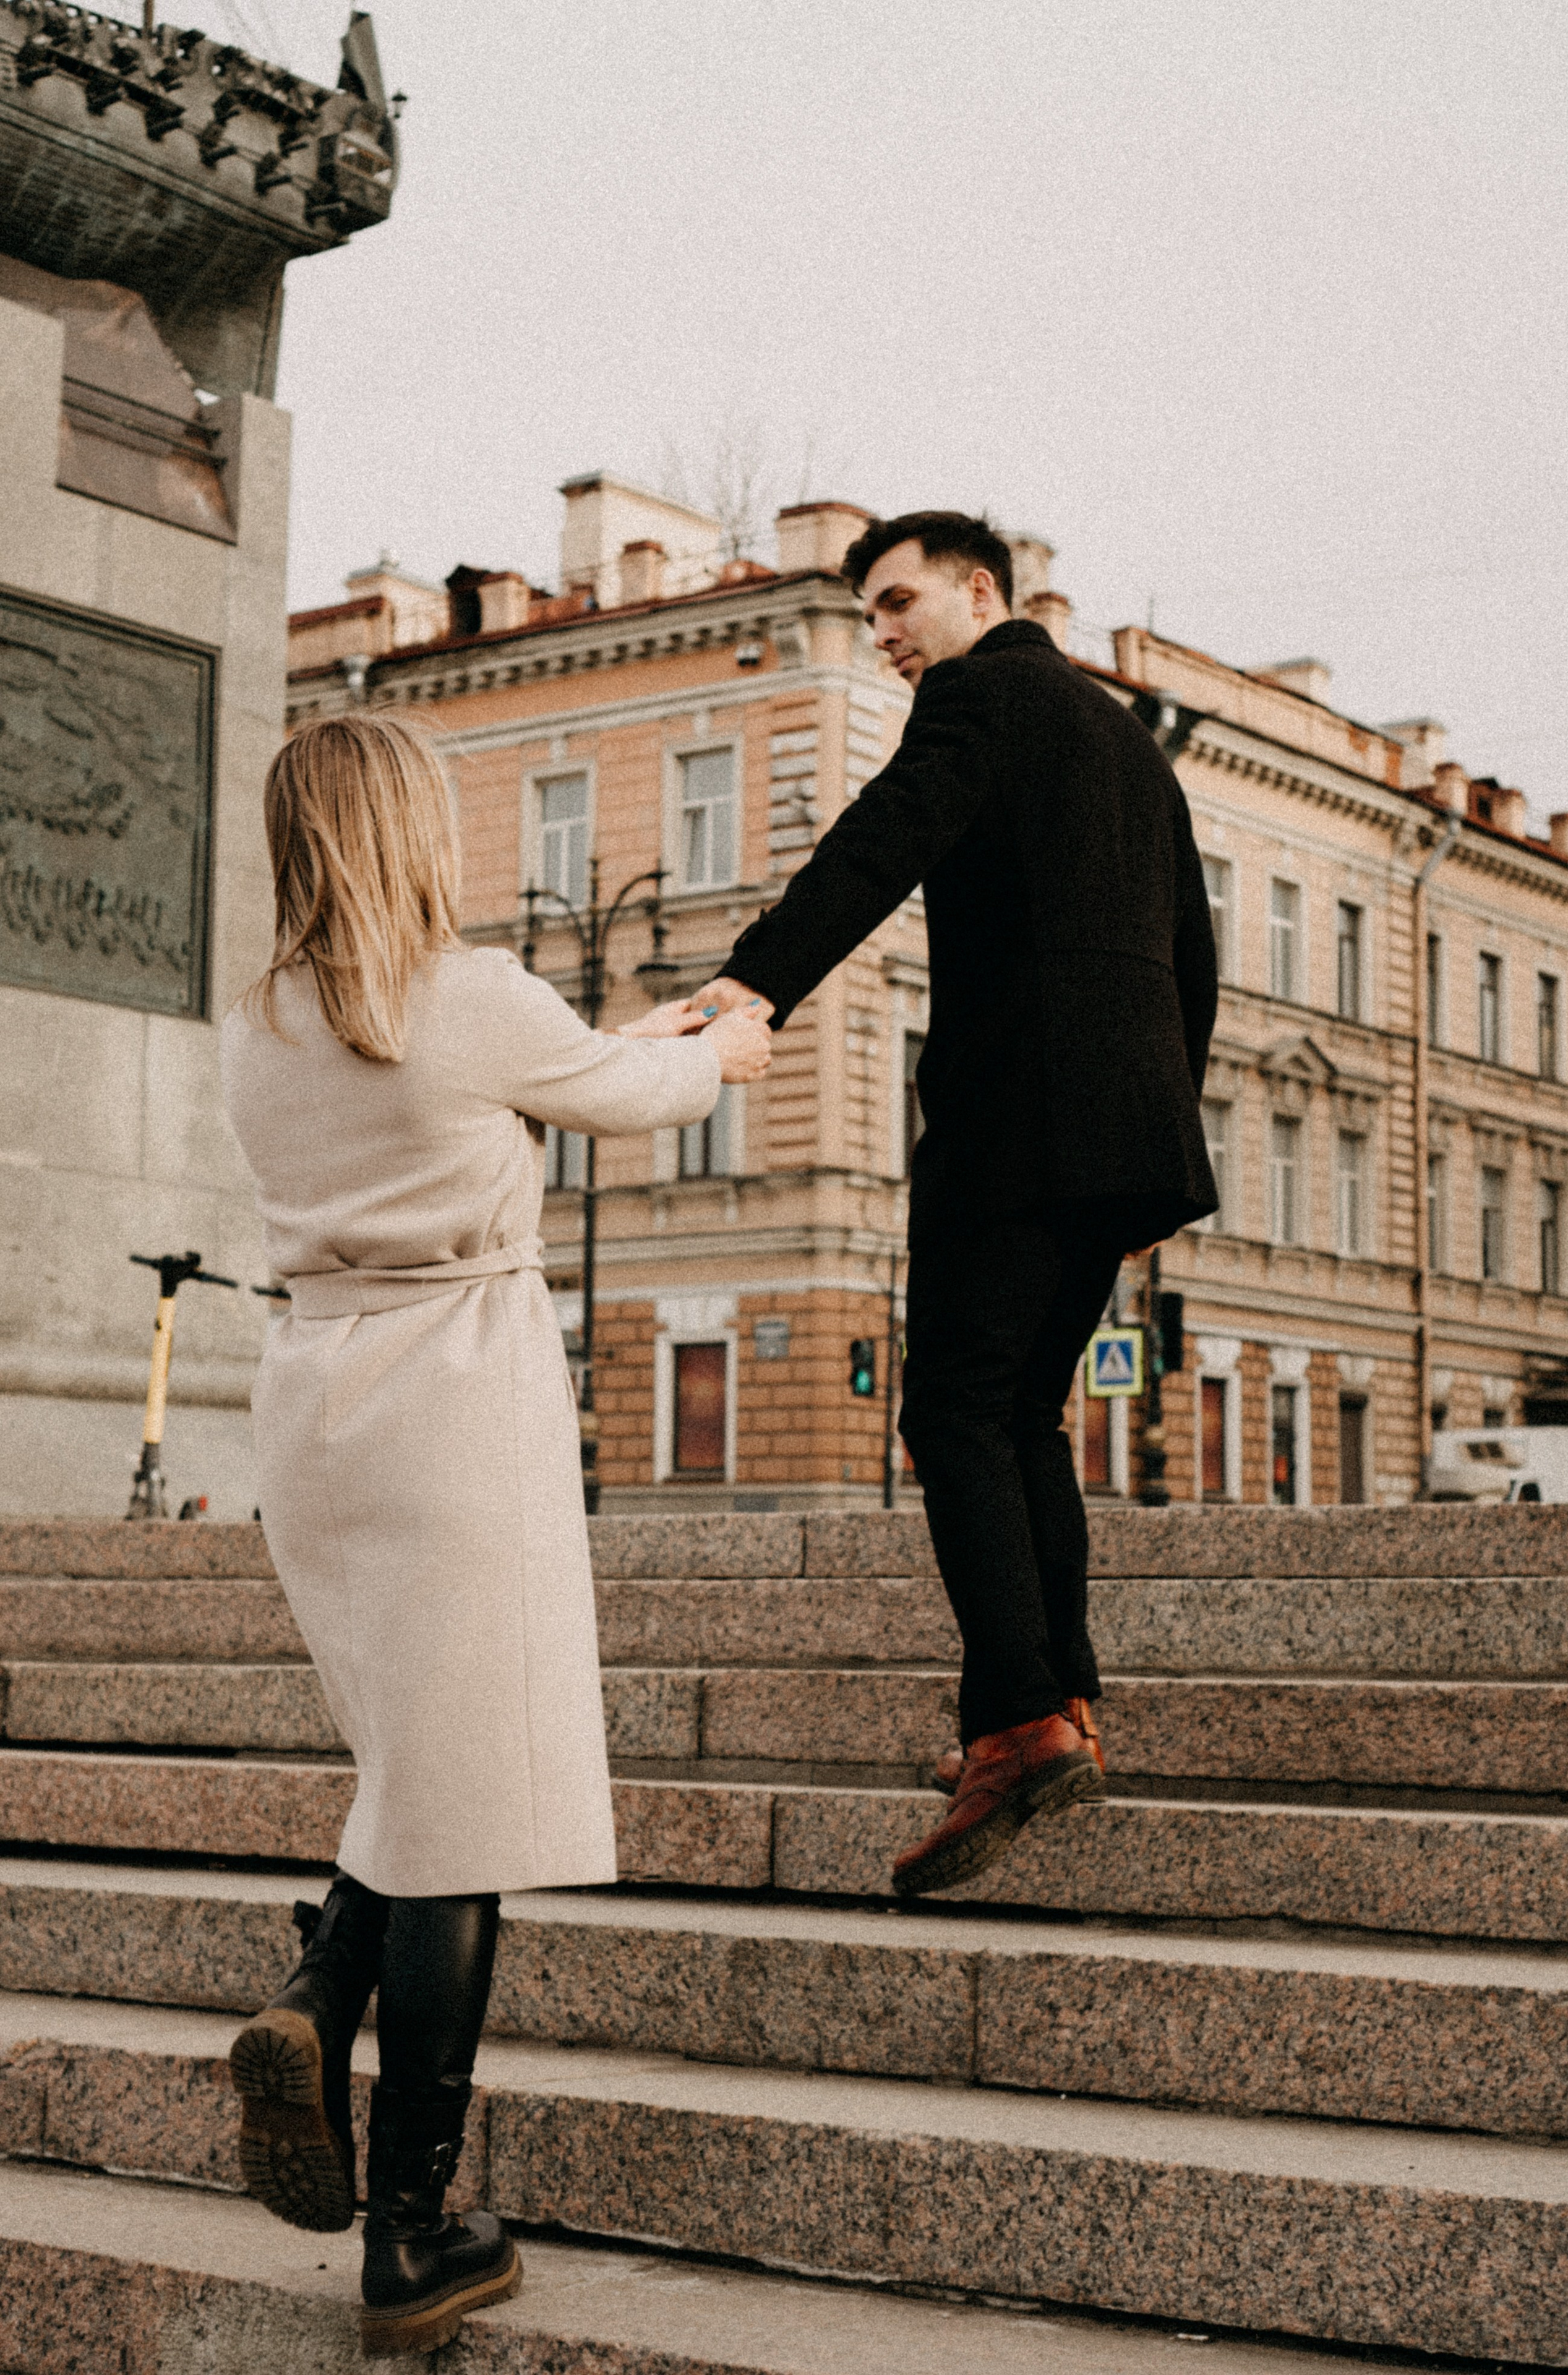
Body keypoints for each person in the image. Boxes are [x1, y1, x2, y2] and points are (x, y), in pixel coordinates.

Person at [220, 714, 769, 2357]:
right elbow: (635, 1093)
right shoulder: (465, 999)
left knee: (410, 1766)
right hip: (454, 1399)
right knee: (464, 1808)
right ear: (409, 828)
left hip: (316, 1402)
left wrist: (614, 1036)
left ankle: (319, 2000)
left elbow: (505, 1078)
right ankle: (412, 2235)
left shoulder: (263, 1019)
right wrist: (721, 1045)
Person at [688, 511, 1218, 1898]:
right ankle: (1060, 1702)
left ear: (980, 591)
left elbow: (882, 839)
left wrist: (755, 980)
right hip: (1122, 1136)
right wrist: (1159, 1135)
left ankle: (1014, 1725)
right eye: (870, 617)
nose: (885, 634)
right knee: (1019, 1416)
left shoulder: (979, 695)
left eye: (898, 602)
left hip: (1014, 1123)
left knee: (949, 1415)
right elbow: (1189, 951)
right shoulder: (1121, 734)